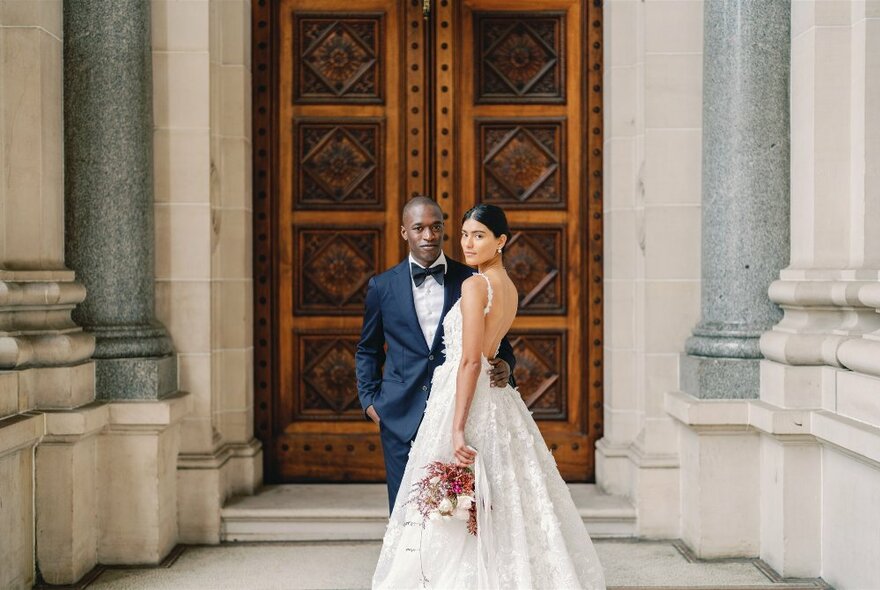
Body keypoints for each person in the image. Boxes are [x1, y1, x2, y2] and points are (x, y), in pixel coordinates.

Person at [372, 204, 606, 590]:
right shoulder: (507, 285)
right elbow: (490, 352)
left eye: (478, 235)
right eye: (463, 234)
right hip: (495, 401)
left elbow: (469, 361)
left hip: (465, 397)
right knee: (494, 496)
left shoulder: (474, 284)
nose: (467, 243)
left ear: (501, 241)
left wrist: (458, 427)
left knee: (456, 496)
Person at [356, 196, 517, 511]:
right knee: (405, 515)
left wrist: (506, 366)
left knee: (452, 514)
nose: (428, 236)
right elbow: (368, 349)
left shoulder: (471, 279)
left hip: (456, 410)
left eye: (436, 227)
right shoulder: (382, 286)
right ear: (405, 232)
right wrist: (370, 402)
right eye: (419, 228)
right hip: (400, 414)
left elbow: (498, 340)